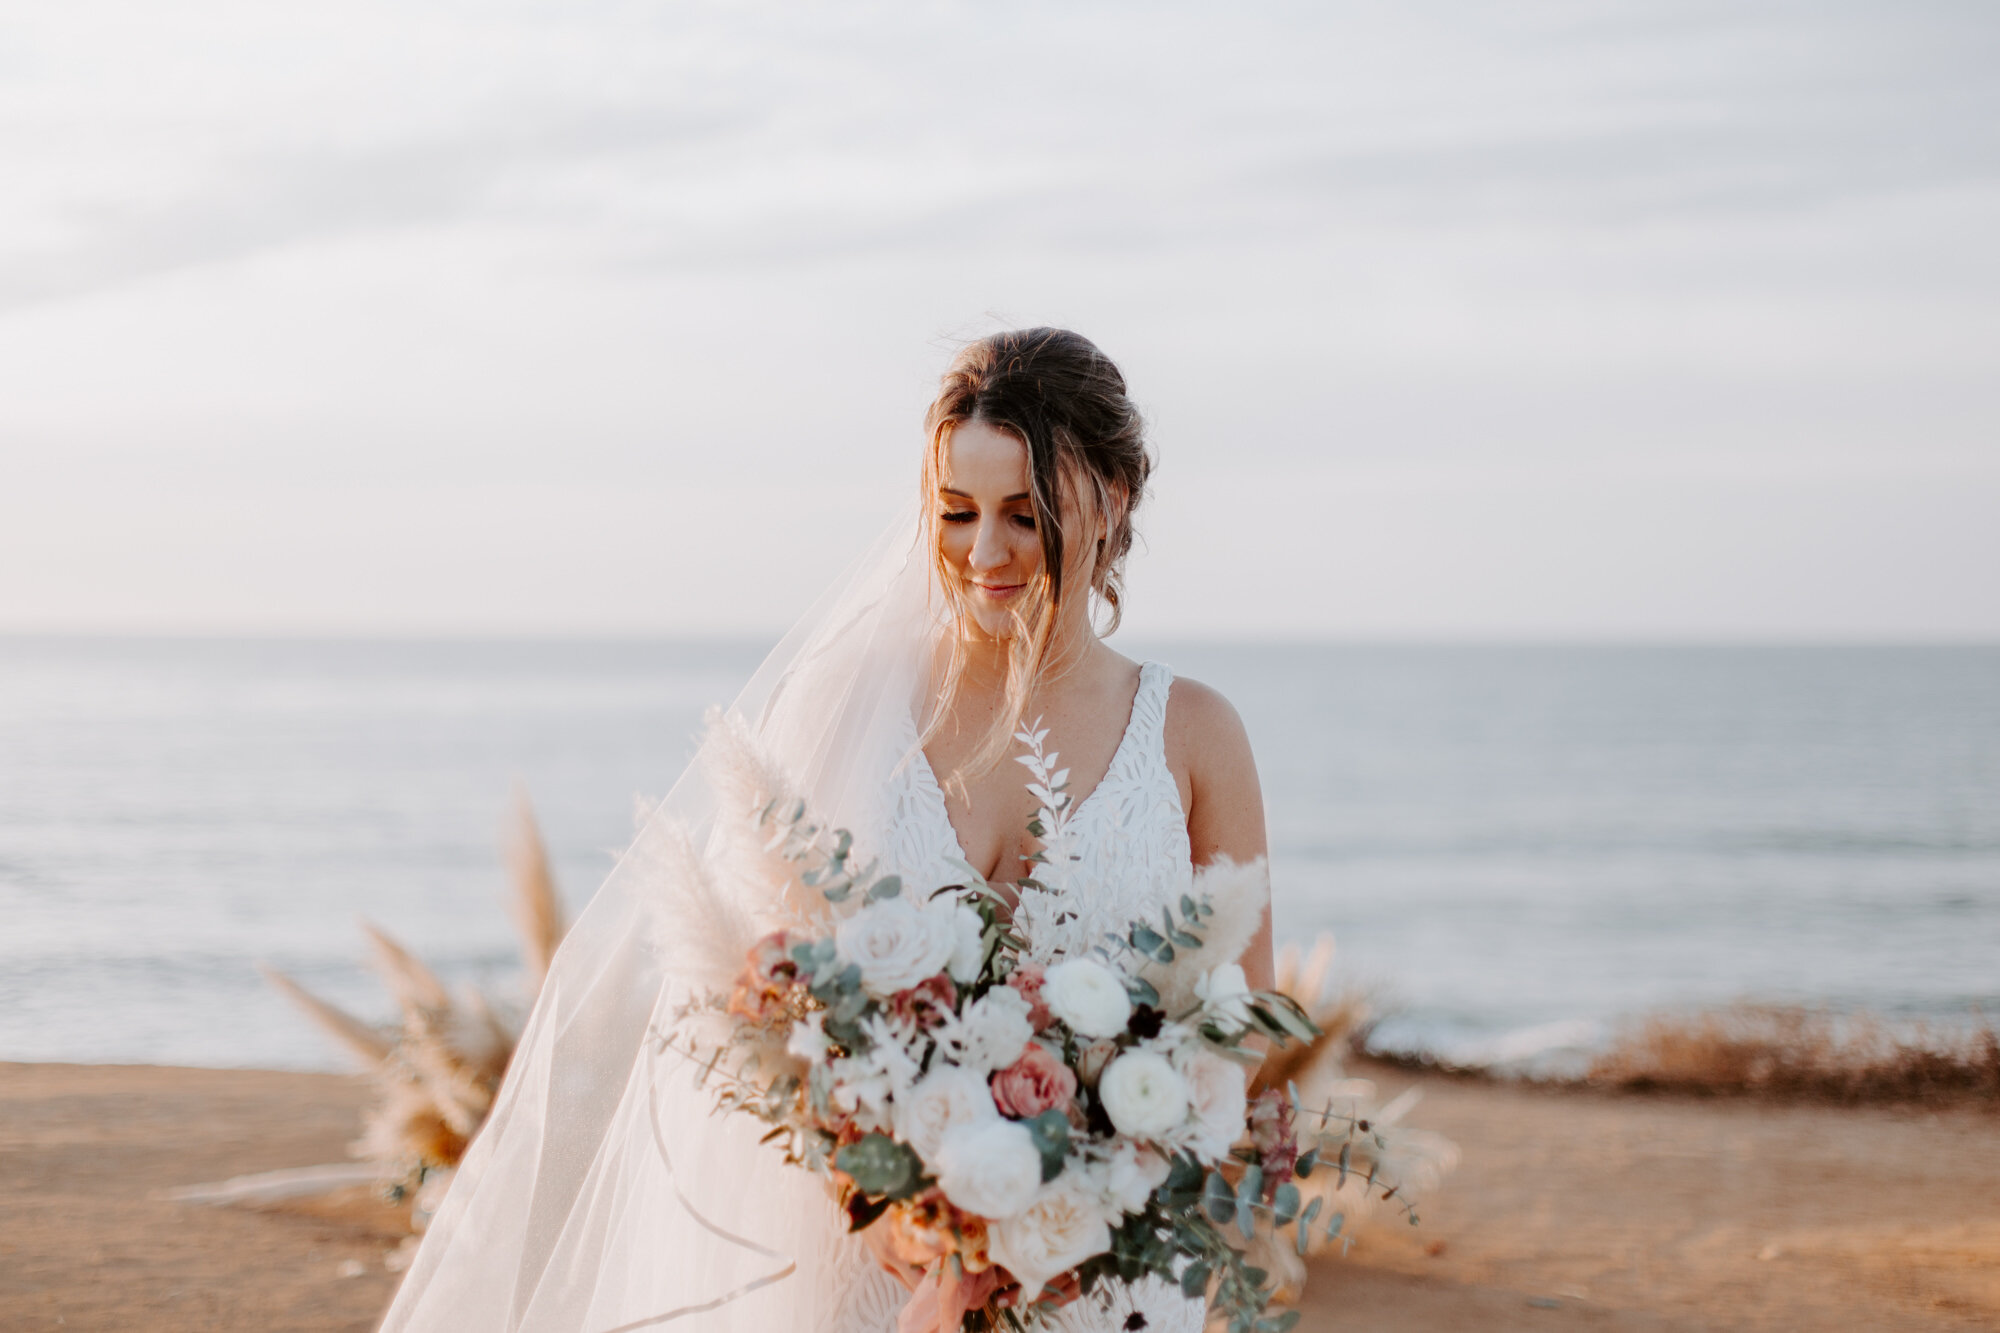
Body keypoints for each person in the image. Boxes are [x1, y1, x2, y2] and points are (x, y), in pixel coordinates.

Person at [381, 328, 1274, 1333]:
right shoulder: (847, 700)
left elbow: (1234, 1030)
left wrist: (1096, 1193)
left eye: (1024, 515)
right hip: (869, 1272)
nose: (984, 553)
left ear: (1110, 497)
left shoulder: (1194, 734)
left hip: (1105, 1277)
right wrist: (884, 1202)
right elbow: (760, 1003)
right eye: (956, 512)